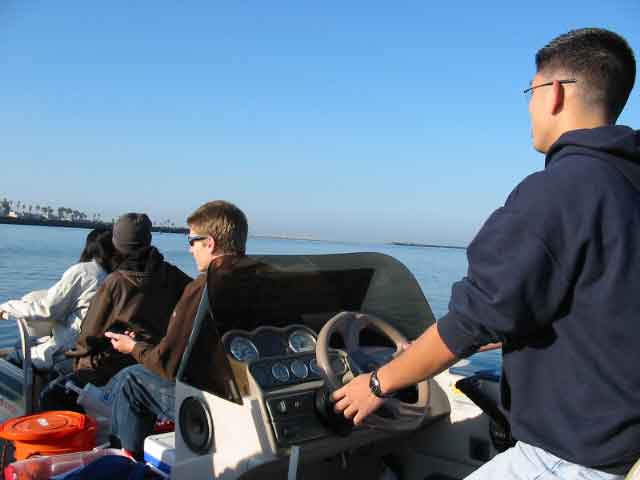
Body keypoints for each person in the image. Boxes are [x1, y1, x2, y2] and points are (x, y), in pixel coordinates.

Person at [332, 28, 638, 479]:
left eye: (530, 92)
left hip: (567, 457)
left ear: (553, 92)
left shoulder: (558, 192)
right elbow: (595, 305)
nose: (530, 107)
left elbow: (471, 318)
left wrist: (377, 382)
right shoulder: (625, 187)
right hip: (619, 444)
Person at [105, 200, 249, 457]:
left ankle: (127, 463)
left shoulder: (203, 287)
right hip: (244, 392)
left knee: (131, 380)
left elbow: (168, 366)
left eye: (193, 241)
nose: (191, 249)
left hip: (211, 402)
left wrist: (133, 347)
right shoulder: (254, 278)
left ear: (210, 243)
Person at [64, 213, 192, 387]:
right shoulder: (173, 275)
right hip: (158, 360)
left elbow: (88, 337)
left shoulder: (115, 283)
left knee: (55, 390)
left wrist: (75, 359)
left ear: (116, 243)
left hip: (121, 363)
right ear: (149, 239)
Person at [0, 228, 115, 371]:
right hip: (91, 348)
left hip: (68, 349)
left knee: (15, 357)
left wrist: (7, 307)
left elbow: (48, 309)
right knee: (24, 344)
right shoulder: (114, 277)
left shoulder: (84, 271)